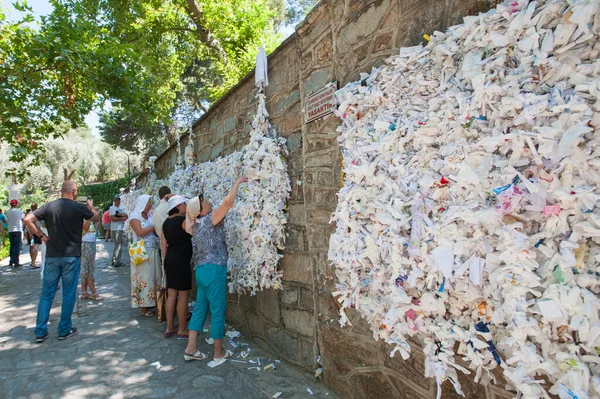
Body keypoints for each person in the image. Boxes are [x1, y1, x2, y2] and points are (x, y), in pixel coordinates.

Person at [24, 180, 99, 343]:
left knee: (47, 294)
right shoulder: (78, 207)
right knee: (69, 292)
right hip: (71, 255)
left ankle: (40, 331)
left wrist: (41, 236)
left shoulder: (49, 206)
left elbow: (27, 219)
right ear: (74, 191)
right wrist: (91, 206)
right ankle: (64, 329)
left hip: (52, 254)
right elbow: (95, 218)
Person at [184, 176, 247, 363]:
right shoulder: (208, 221)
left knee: (200, 310)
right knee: (218, 310)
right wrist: (237, 182)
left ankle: (191, 348)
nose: (208, 201)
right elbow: (227, 203)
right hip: (214, 270)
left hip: (202, 271)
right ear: (200, 210)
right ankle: (219, 352)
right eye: (204, 201)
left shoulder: (195, 226)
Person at [161, 195, 192, 339]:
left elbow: (163, 245)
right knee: (183, 294)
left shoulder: (165, 223)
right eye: (184, 204)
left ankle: (169, 327)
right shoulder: (183, 221)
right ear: (178, 206)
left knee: (172, 294)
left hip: (170, 259)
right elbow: (193, 232)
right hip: (181, 260)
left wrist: (164, 263)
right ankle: (182, 328)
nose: (185, 206)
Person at [127, 194, 161, 317]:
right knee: (144, 278)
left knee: (154, 277)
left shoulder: (150, 215)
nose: (150, 206)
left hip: (153, 250)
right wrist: (154, 228)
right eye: (148, 204)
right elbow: (139, 232)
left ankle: (153, 302)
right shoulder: (134, 217)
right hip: (142, 251)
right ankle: (143, 307)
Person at [80, 208, 102, 301]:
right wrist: (89, 217)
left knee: (88, 267)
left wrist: (92, 209)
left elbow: (97, 219)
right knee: (87, 268)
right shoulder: (80, 216)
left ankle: (84, 292)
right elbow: (85, 227)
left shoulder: (88, 216)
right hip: (85, 243)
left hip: (90, 243)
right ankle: (93, 292)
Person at [109, 195, 128, 267]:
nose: (118, 201)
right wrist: (121, 218)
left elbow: (126, 216)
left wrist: (121, 215)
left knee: (118, 245)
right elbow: (112, 218)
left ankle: (115, 260)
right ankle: (116, 261)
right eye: (117, 200)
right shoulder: (112, 208)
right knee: (118, 245)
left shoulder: (121, 208)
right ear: (114, 201)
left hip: (120, 228)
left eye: (119, 200)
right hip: (116, 229)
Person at [6, 199, 24, 268]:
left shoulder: (7, 212)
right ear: (16, 204)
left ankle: (11, 261)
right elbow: (23, 219)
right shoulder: (20, 212)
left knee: (12, 246)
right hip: (17, 230)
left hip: (10, 230)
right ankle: (16, 262)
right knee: (17, 246)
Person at [28, 203, 42, 268]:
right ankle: (33, 262)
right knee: (36, 246)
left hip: (29, 231)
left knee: (31, 246)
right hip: (36, 231)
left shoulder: (29, 213)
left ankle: (32, 260)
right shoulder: (37, 214)